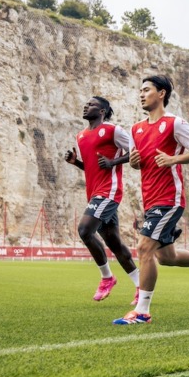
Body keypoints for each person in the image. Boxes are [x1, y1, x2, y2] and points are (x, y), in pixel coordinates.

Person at [113, 75, 189, 326]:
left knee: (144, 248)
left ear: (161, 93)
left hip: (170, 198)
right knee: (166, 257)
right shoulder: (135, 129)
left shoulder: (175, 123)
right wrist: (133, 162)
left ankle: (142, 312)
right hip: (150, 199)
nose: (141, 94)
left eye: (147, 90)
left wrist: (174, 159)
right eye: (140, 91)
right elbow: (136, 163)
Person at [65, 96, 140, 305]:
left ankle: (107, 278)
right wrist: (76, 163)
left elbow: (137, 152)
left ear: (102, 111)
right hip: (94, 193)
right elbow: (93, 167)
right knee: (114, 243)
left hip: (109, 191)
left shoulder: (112, 130)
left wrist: (113, 161)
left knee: (84, 231)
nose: (86, 106)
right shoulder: (80, 136)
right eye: (86, 103)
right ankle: (141, 286)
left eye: (92, 105)